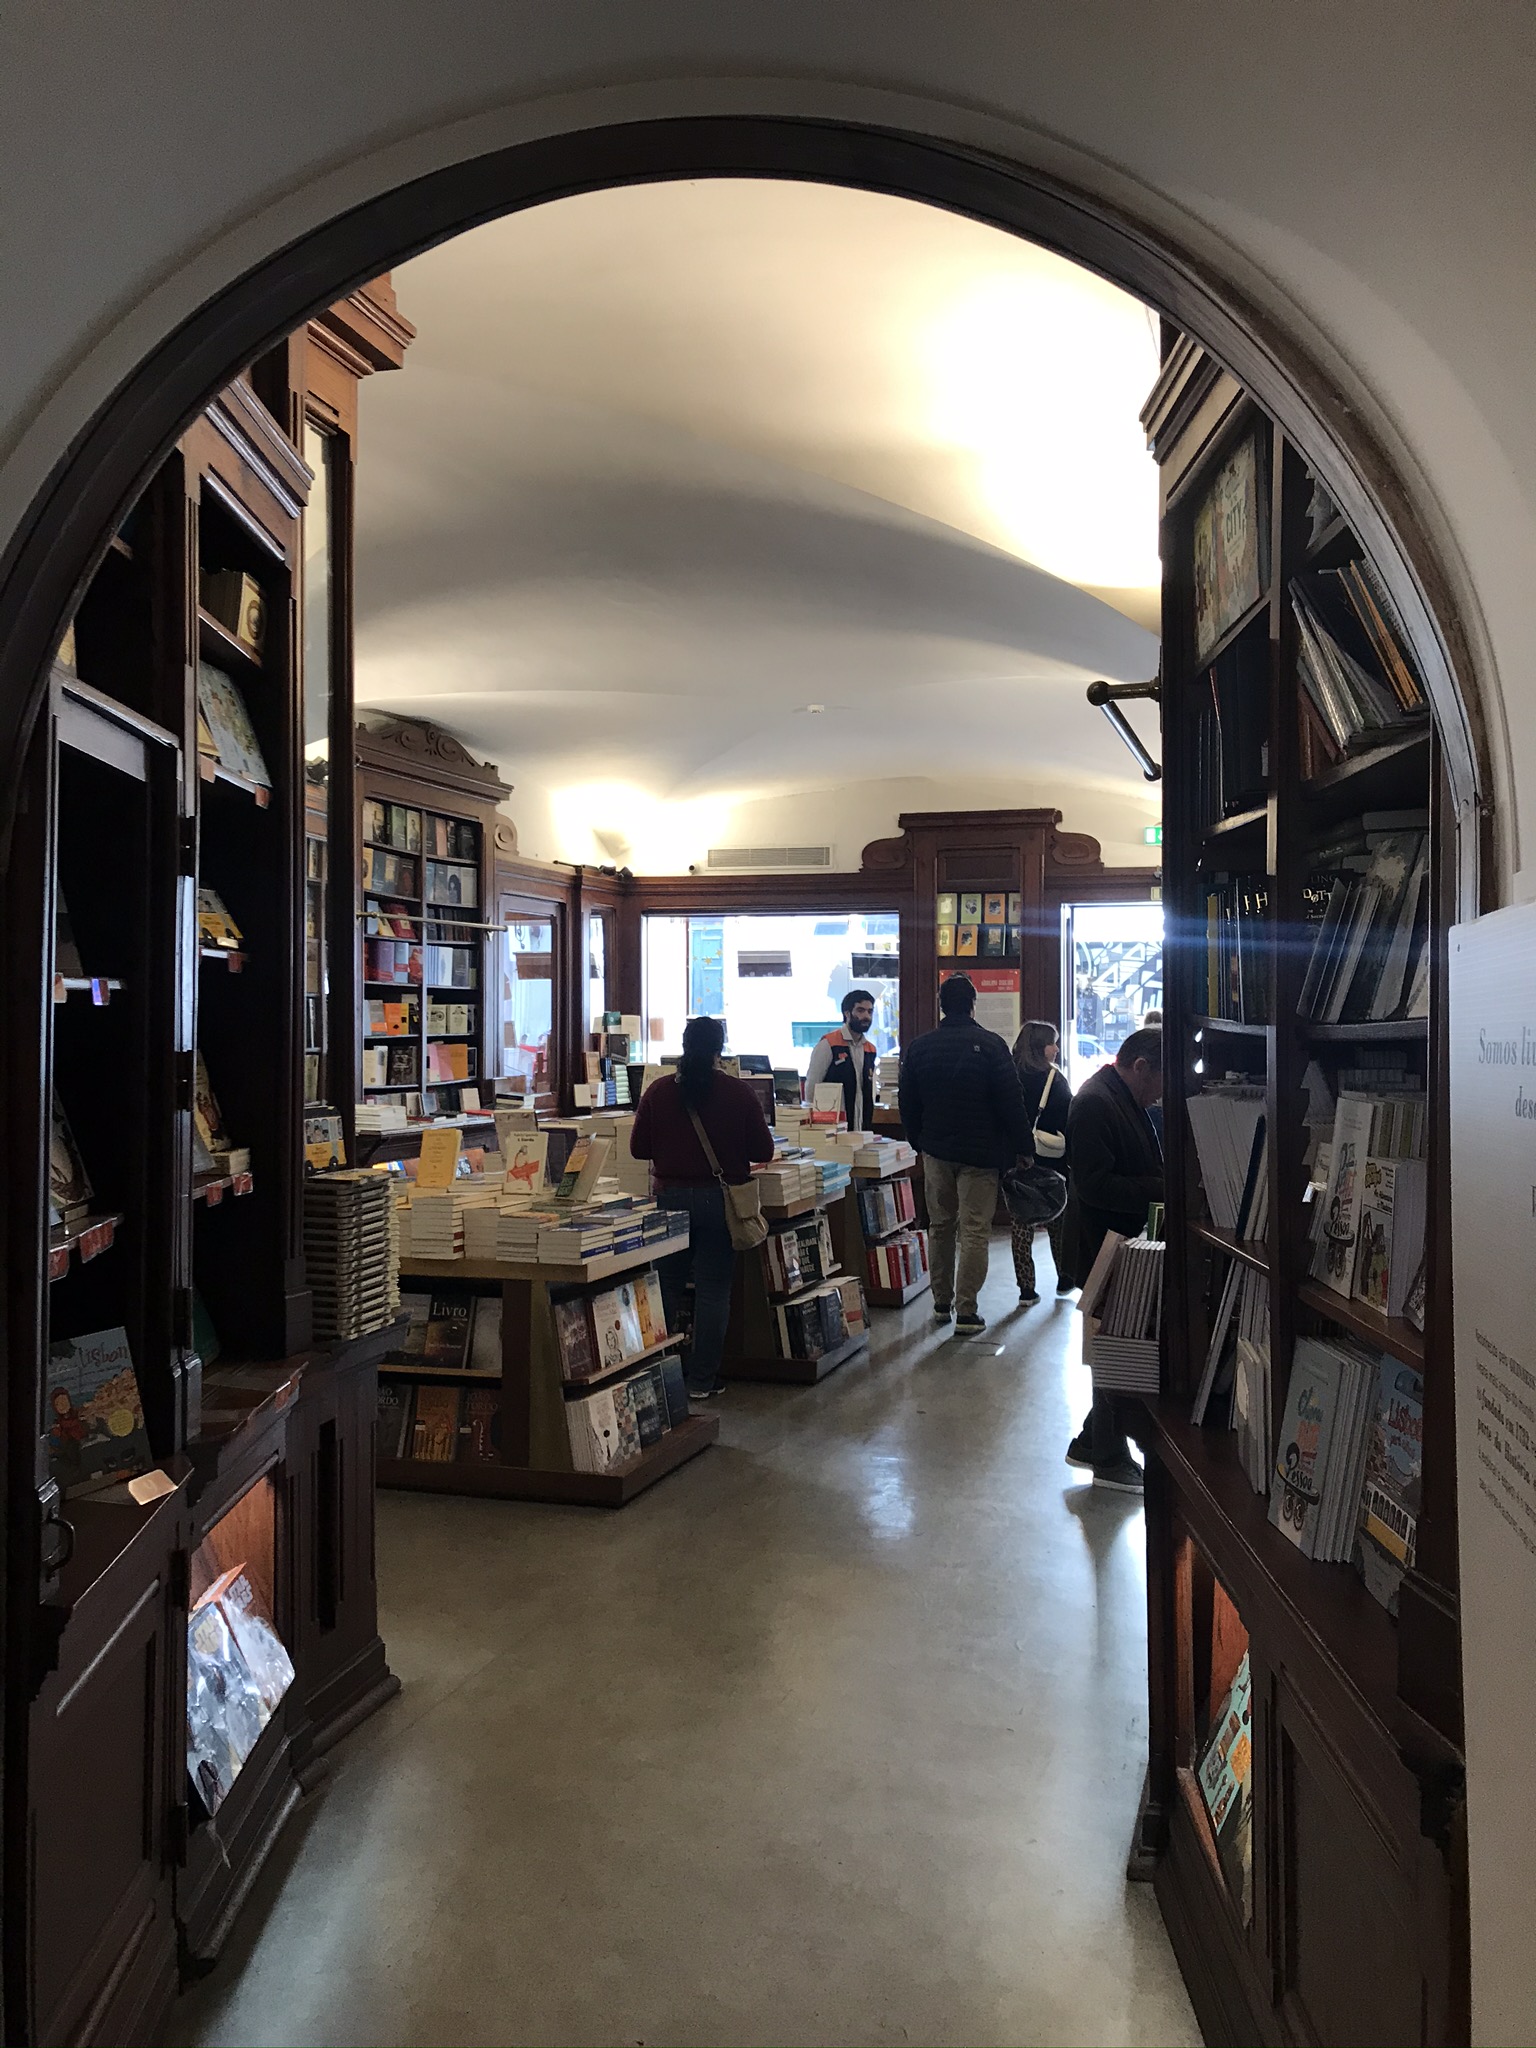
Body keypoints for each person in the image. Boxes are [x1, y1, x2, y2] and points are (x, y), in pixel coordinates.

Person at [630, 1015, 774, 1399]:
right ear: (719, 1050)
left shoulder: (658, 1091)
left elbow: (638, 1149)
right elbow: (763, 1150)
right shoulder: (739, 1093)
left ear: (684, 1045)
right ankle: (701, 1381)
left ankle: (654, 1376)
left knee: (665, 1286)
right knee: (713, 1291)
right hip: (719, 1200)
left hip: (670, 1199)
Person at [898, 973, 1035, 1336]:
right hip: (981, 1153)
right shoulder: (991, 1045)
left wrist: (918, 1140)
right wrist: (1024, 1147)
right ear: (973, 1005)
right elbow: (1012, 1102)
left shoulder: (920, 1047)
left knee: (940, 1226)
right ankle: (967, 1311)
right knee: (974, 1230)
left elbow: (907, 1101)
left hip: (936, 1150)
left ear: (941, 1005)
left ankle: (941, 1303)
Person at [1060, 1024, 1164, 1491]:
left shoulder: (1117, 1096)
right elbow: (1094, 1186)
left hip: (1119, 1241)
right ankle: (1105, 1452)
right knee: (1113, 1348)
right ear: (1140, 1067)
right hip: (1103, 1245)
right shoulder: (1094, 1103)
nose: (1160, 1094)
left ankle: (1094, 1440)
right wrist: (1161, 1190)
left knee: (1115, 1342)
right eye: (1159, 1081)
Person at [1009, 1019, 1073, 1305]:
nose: (1056, 1049)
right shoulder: (1054, 1079)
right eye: (1052, 1043)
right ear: (1040, 1046)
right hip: (1050, 1159)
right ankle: (1064, 1278)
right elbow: (1067, 1117)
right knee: (1057, 1219)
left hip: (1017, 1159)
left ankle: (1026, 1288)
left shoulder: (1009, 1074)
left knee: (1021, 1221)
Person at [804, 988, 877, 1131]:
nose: (866, 1016)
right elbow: (812, 1086)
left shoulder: (870, 1049)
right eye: (860, 1010)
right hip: (833, 1126)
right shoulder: (829, 1044)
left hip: (862, 1126)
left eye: (870, 1011)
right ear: (847, 1013)